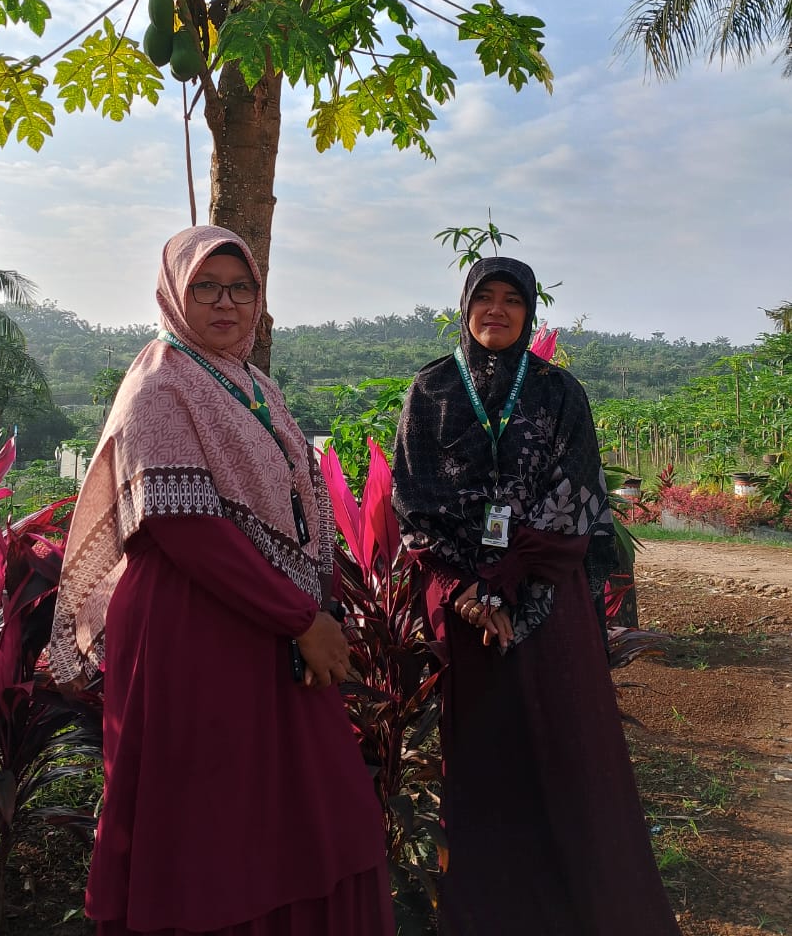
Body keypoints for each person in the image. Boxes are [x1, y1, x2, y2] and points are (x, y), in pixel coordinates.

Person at [48, 225, 393, 936]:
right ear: (174, 294)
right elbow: (184, 528)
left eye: (240, 288)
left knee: (302, 805)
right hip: (194, 624)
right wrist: (298, 618)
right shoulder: (159, 382)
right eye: (205, 286)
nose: (225, 302)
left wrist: (302, 610)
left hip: (262, 619)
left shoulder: (248, 379)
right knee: (213, 818)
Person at [391, 256, 681, 936]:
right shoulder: (430, 390)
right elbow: (415, 499)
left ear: (528, 313)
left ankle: (579, 903)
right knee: (486, 756)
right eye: (483, 297)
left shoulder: (557, 391)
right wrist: (467, 589)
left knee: (565, 740)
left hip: (547, 599)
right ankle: (493, 912)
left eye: (511, 300)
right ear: (463, 308)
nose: (496, 310)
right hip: (462, 608)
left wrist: (508, 586)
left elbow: (575, 496)